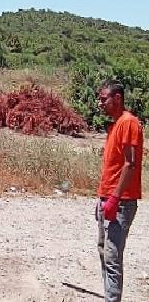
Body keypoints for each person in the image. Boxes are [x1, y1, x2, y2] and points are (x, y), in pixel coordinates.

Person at [96, 80, 143, 302]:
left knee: (113, 256)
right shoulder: (115, 125)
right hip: (108, 198)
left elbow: (130, 164)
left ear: (117, 98)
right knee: (104, 252)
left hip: (121, 201)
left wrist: (114, 198)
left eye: (103, 98)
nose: (100, 103)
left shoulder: (128, 123)